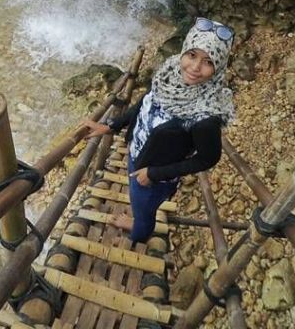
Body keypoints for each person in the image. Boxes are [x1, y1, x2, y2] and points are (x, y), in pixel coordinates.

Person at [81, 18, 236, 244]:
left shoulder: (206, 117)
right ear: (183, 51)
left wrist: (153, 174)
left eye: (208, 61)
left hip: (155, 176)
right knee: (138, 200)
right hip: (138, 154)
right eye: (192, 55)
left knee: (144, 211)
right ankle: (139, 218)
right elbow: (144, 102)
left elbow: (208, 159)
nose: (194, 68)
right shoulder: (170, 74)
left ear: (219, 66)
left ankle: (138, 233)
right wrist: (112, 126)